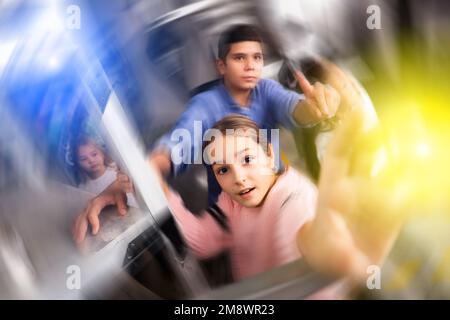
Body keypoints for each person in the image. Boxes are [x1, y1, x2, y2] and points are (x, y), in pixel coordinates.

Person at [73, 114, 404, 286]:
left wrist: (347, 251)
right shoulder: (238, 201)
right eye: (223, 169)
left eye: (247, 160)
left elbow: (323, 247)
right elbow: (204, 241)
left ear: (269, 153)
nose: (239, 178)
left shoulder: (293, 202)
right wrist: (151, 187)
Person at [149, 24, 341, 204]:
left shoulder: (266, 90)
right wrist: (154, 167)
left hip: (277, 198)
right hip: (235, 207)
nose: (250, 66)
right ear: (221, 66)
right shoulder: (206, 105)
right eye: (240, 58)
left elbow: (293, 107)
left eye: (257, 57)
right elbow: (179, 141)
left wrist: (315, 108)